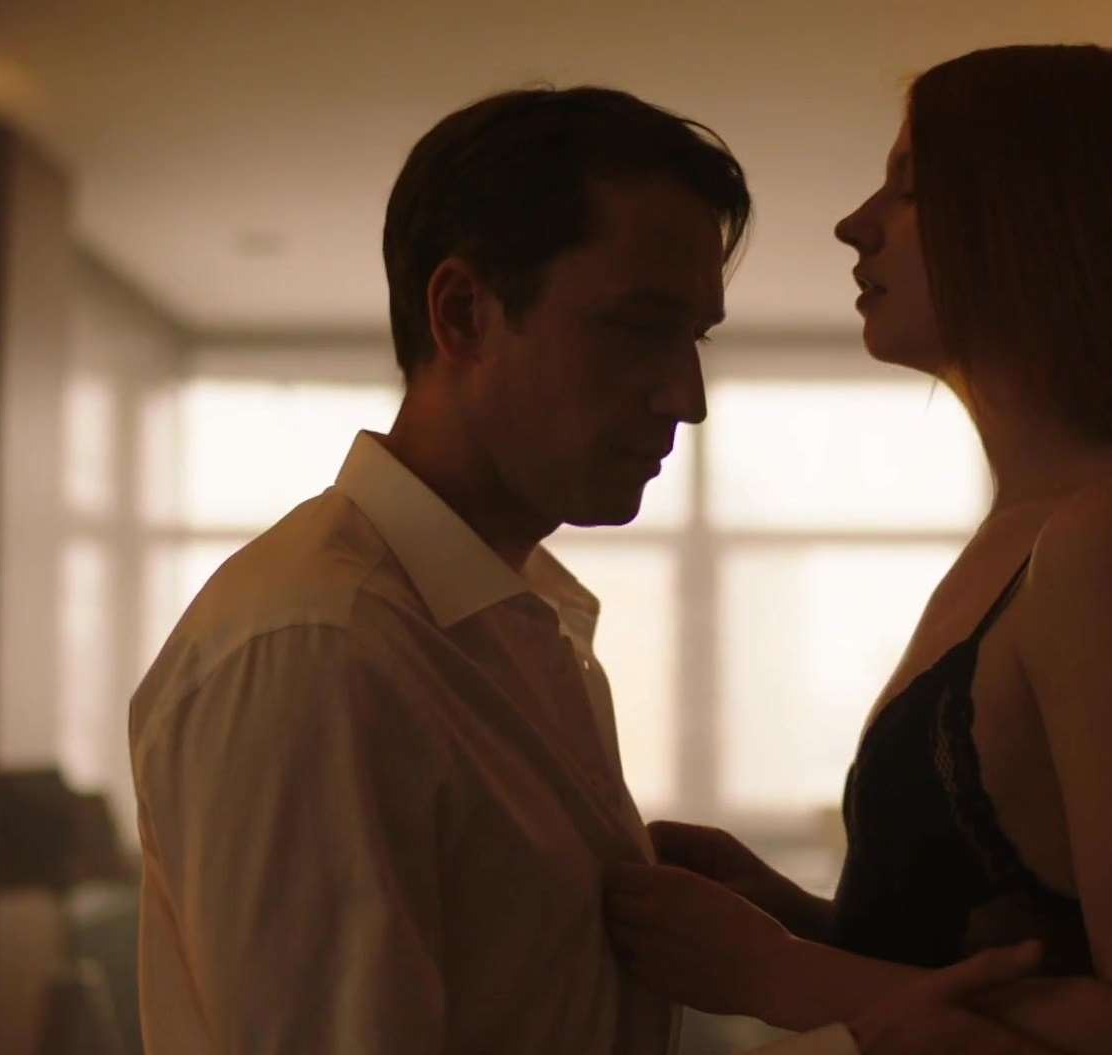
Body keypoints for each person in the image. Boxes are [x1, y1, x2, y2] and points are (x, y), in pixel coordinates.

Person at [128, 84, 1055, 1055]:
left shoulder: (510, 625)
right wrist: (855, 1039)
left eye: (694, 337)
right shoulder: (321, 650)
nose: (687, 396)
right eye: (639, 327)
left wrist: (804, 949)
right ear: (463, 314)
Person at [605, 43, 1112, 1054]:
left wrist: (777, 970)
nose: (854, 223)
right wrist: (800, 919)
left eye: (907, 188)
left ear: (1034, 220)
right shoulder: (1042, 527)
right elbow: (1024, 955)